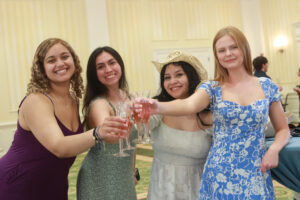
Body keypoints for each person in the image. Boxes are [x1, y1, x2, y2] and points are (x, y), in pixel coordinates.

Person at [136, 26, 290, 199]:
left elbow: (283, 129)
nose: (228, 53)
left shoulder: (266, 86)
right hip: (219, 174)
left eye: (233, 47)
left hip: (256, 169)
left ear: (244, 49)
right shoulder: (212, 87)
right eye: (221, 50)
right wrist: (157, 107)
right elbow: (188, 105)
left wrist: (274, 149)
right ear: (216, 56)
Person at [0, 38, 127, 200]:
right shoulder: (36, 100)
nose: (60, 63)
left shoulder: (72, 98)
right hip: (18, 183)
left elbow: (75, 144)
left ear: (74, 61)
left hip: (55, 184)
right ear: (42, 68)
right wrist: (98, 132)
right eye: (51, 60)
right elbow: (59, 147)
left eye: (65, 57)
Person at [147, 51, 213, 200]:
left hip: (197, 190)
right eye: (167, 77)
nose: (172, 81)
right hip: (162, 189)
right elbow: (136, 130)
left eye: (179, 75)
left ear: (191, 76)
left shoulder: (207, 113)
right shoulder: (159, 108)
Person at [76, 46, 138, 200]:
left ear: (120, 65)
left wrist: (132, 169)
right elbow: (112, 136)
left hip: (124, 175)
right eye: (101, 67)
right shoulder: (99, 104)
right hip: (100, 176)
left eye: (112, 63)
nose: (108, 69)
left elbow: (132, 142)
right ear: (94, 74)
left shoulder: (129, 97)